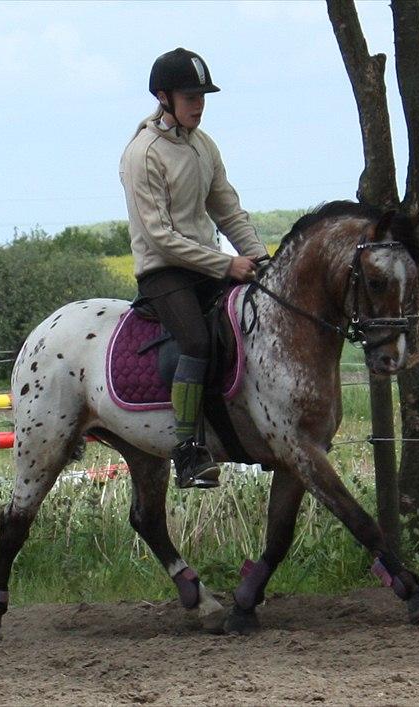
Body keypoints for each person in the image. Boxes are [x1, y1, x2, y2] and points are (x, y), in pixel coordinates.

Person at [120, 47, 268, 490]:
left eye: (202, 96)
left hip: (206, 265)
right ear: (164, 97)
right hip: (164, 272)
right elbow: (161, 236)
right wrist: (226, 264)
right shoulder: (143, 154)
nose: (199, 104)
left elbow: (229, 211)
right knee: (198, 342)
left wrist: (261, 261)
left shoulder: (204, 145)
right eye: (190, 97)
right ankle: (187, 451)